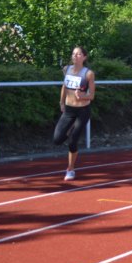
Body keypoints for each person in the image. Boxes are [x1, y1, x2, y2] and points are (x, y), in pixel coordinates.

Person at [53, 46, 95, 181]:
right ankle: (70, 129)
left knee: (72, 142)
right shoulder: (67, 69)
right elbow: (64, 87)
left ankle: (70, 169)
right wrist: (61, 102)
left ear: (84, 57)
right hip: (69, 110)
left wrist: (82, 96)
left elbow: (91, 95)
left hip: (82, 110)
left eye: (78, 54)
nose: (75, 56)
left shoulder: (88, 74)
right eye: (73, 54)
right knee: (57, 140)